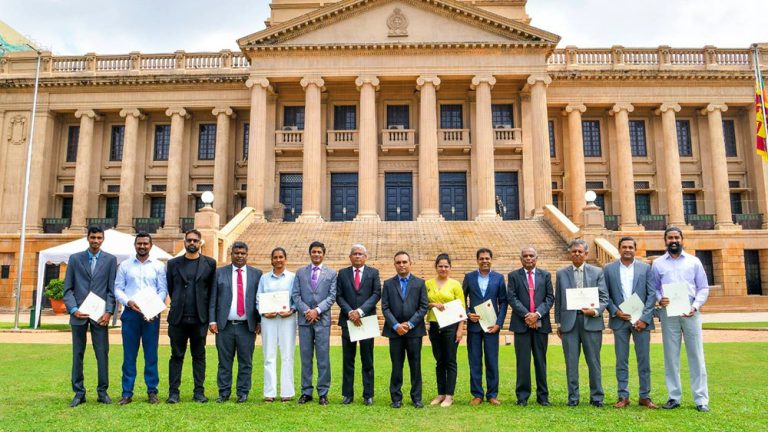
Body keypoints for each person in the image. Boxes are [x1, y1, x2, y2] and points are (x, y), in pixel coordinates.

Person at [652, 227, 710, 412]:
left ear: (682, 239)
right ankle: (674, 397)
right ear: (665, 241)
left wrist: (695, 306)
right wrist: (659, 298)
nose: (673, 240)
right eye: (670, 238)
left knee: (696, 356)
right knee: (671, 357)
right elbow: (654, 287)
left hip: (691, 311)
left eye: (676, 237)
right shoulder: (658, 264)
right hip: (669, 312)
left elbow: (703, 288)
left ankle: (701, 399)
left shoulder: (694, 262)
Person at [62, 225, 117, 407]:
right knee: (77, 354)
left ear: (103, 240)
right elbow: (68, 289)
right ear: (88, 238)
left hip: (100, 316)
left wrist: (109, 311)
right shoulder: (75, 259)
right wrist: (73, 309)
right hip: (78, 315)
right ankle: (79, 392)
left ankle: (102, 391)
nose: (96, 241)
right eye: (93, 237)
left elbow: (111, 290)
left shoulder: (110, 260)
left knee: (102, 353)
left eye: (99, 238)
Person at [604, 236, 658, 409]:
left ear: (635, 249)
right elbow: (605, 294)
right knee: (621, 360)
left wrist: (645, 318)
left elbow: (651, 295)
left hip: (641, 321)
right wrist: (615, 311)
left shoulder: (645, 268)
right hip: (620, 320)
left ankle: (645, 396)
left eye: (630, 247)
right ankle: (623, 395)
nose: (627, 250)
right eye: (624, 247)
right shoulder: (609, 269)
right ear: (619, 249)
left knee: (644, 360)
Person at [114, 232, 167, 405]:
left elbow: (162, 290)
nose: (142, 246)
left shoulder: (159, 266)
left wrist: (152, 307)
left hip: (151, 315)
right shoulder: (125, 266)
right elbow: (118, 289)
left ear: (151, 246)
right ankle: (127, 392)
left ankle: (152, 391)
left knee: (151, 354)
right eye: (139, 244)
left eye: (145, 243)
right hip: (131, 313)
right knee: (129, 355)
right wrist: (127, 301)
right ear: (135, 245)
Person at [554, 239, 608, 407]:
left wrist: (596, 311)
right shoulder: (561, 274)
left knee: (594, 361)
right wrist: (559, 323)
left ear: (586, 254)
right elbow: (559, 300)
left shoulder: (597, 272)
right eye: (574, 251)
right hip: (570, 323)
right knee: (571, 363)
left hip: (591, 321)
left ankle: (597, 397)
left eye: (580, 251)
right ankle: (573, 397)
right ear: (570, 254)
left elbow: (604, 297)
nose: (576, 254)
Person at [165, 229, 217, 404]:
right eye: (189, 240)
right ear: (185, 242)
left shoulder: (210, 264)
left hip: (199, 319)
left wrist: (210, 317)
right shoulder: (173, 264)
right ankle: (173, 393)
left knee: (199, 356)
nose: (192, 243)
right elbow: (171, 289)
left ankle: (199, 392)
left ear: (200, 243)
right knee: (176, 356)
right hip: (178, 319)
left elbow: (211, 292)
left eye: (195, 240)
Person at [209, 241, 262, 404]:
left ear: (247, 255)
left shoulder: (256, 274)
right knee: (224, 361)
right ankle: (224, 392)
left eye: (243, 253)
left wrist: (259, 320)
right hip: (224, 325)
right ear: (231, 254)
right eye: (236, 253)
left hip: (247, 326)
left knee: (246, 361)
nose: (239, 256)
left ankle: (243, 392)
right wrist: (212, 320)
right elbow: (213, 298)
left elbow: (260, 299)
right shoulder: (219, 273)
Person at [507, 246, 554, 407]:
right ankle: (522, 396)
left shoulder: (545, 275)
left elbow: (549, 297)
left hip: (541, 324)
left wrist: (537, 314)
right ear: (521, 259)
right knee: (523, 362)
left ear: (536, 258)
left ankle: (543, 396)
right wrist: (527, 315)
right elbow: (512, 298)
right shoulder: (513, 276)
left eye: (531, 255)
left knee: (541, 361)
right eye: (525, 256)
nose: (528, 258)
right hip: (521, 324)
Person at [292, 241, 337, 405]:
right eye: (314, 252)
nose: (316, 254)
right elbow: (295, 295)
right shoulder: (300, 272)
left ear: (323, 254)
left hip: (322, 320)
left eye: (319, 252)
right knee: (305, 357)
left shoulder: (331, 274)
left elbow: (332, 296)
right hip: (304, 320)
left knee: (323, 358)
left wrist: (317, 310)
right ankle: (306, 391)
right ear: (310, 254)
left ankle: (323, 392)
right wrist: (307, 311)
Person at [382, 251, 428, 409]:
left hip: (414, 331)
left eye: (404, 262)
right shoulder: (388, 284)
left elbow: (423, 307)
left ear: (410, 263)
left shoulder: (420, 283)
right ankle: (396, 398)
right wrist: (396, 325)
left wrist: (409, 324)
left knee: (415, 365)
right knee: (396, 365)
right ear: (394, 264)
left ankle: (416, 398)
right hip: (394, 332)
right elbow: (385, 307)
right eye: (398, 262)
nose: (401, 265)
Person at [336, 244, 381, 406]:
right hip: (348, 321)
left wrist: (360, 312)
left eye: (360, 254)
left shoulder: (373, 273)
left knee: (367, 359)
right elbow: (339, 296)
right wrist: (350, 312)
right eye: (354, 253)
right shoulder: (342, 274)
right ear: (350, 257)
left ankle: (368, 394)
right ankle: (347, 394)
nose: (357, 256)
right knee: (348, 359)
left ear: (365, 257)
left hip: (366, 321)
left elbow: (377, 294)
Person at [463, 248, 507, 406]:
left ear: (491, 259)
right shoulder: (469, 277)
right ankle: (477, 394)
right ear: (477, 260)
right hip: (474, 326)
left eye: (487, 258)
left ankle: (492, 394)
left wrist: (499, 324)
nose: (484, 261)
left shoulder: (498, 278)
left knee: (492, 360)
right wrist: (468, 313)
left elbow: (503, 302)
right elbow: (462, 299)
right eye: (481, 258)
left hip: (491, 326)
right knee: (474, 360)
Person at [257, 247, 297, 402]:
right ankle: (270, 392)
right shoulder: (264, 278)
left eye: (281, 257)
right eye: (275, 257)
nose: (278, 260)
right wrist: (263, 312)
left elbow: (296, 296)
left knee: (287, 355)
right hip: (269, 319)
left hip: (287, 318)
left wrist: (292, 310)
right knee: (269, 355)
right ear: (271, 260)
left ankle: (287, 392)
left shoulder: (293, 277)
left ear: (285, 259)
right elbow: (259, 298)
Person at [425, 253, 465, 407]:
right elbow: (423, 303)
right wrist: (433, 305)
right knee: (439, 361)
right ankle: (441, 393)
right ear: (436, 267)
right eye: (440, 266)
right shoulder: (428, 283)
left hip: (451, 326)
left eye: (446, 266)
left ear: (450, 267)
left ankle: (449, 395)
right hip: (435, 325)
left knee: (450, 360)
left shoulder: (455, 284)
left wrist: (460, 329)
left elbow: (462, 308)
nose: (443, 268)